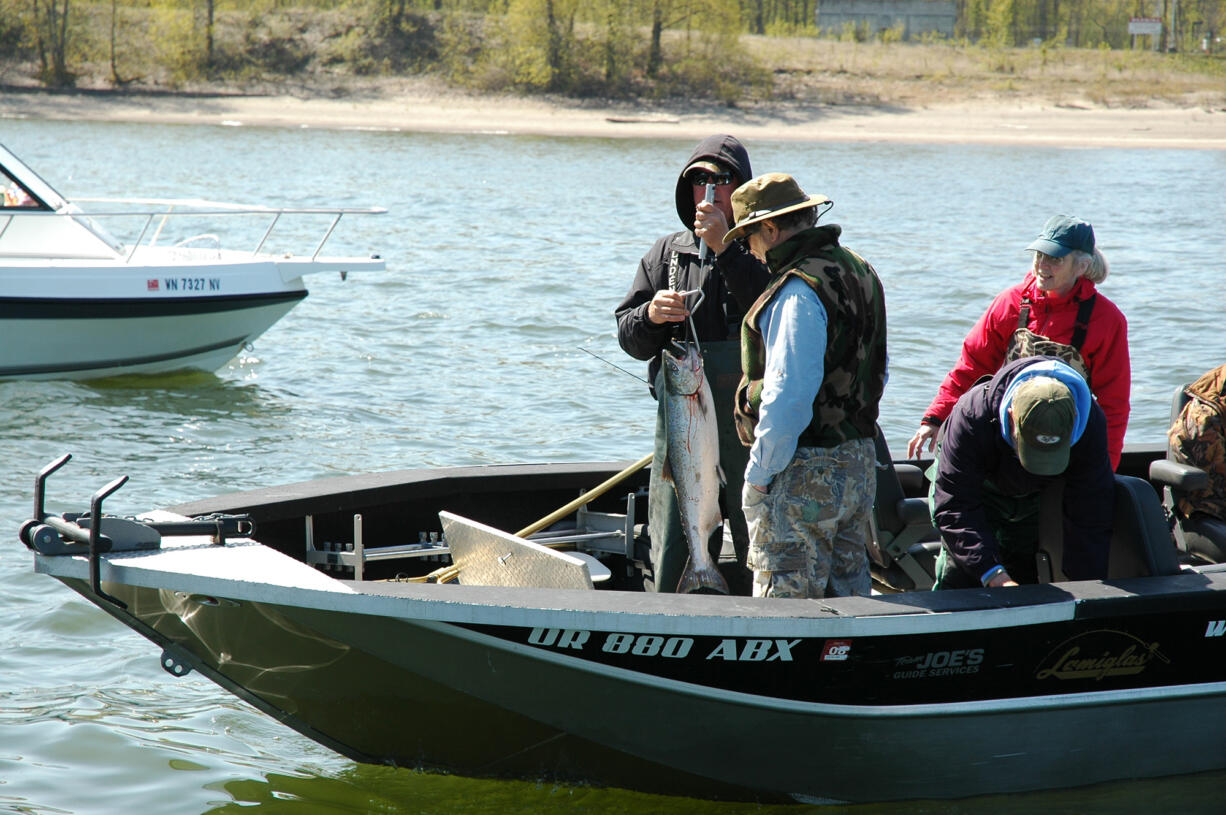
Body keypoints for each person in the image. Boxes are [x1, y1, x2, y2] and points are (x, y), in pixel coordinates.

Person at [614, 135, 770, 593]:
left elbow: (775, 311)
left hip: (754, 429)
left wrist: (727, 248)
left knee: (759, 542)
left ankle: (763, 618)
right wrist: (650, 316)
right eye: (699, 179)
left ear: (740, 188)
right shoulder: (665, 254)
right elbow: (630, 337)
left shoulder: (766, 246)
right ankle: (677, 606)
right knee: (674, 543)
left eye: (721, 179)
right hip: (684, 427)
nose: (709, 189)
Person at [726, 173, 887, 599]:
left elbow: (788, 398)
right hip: (859, 463)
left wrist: (759, 477)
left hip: (803, 475)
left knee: (786, 610)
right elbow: (878, 368)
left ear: (771, 229)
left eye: (749, 239)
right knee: (850, 599)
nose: (751, 251)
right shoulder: (861, 269)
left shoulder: (797, 290)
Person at [907, 215, 1130, 471]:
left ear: (1081, 266)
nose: (1042, 266)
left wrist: (1105, 470)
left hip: (1066, 445)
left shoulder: (1107, 320)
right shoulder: (1010, 302)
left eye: (1055, 259)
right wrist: (934, 419)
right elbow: (971, 367)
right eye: (1039, 255)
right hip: (1006, 437)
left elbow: (1114, 406)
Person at [929, 356, 1115, 589]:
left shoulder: (1090, 424)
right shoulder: (972, 416)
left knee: (1027, 572)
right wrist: (993, 575)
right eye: (1029, 452)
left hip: (1034, 496)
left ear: (1075, 420)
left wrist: (1087, 588)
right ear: (1010, 416)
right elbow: (955, 506)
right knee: (963, 575)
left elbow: (1091, 511)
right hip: (975, 486)